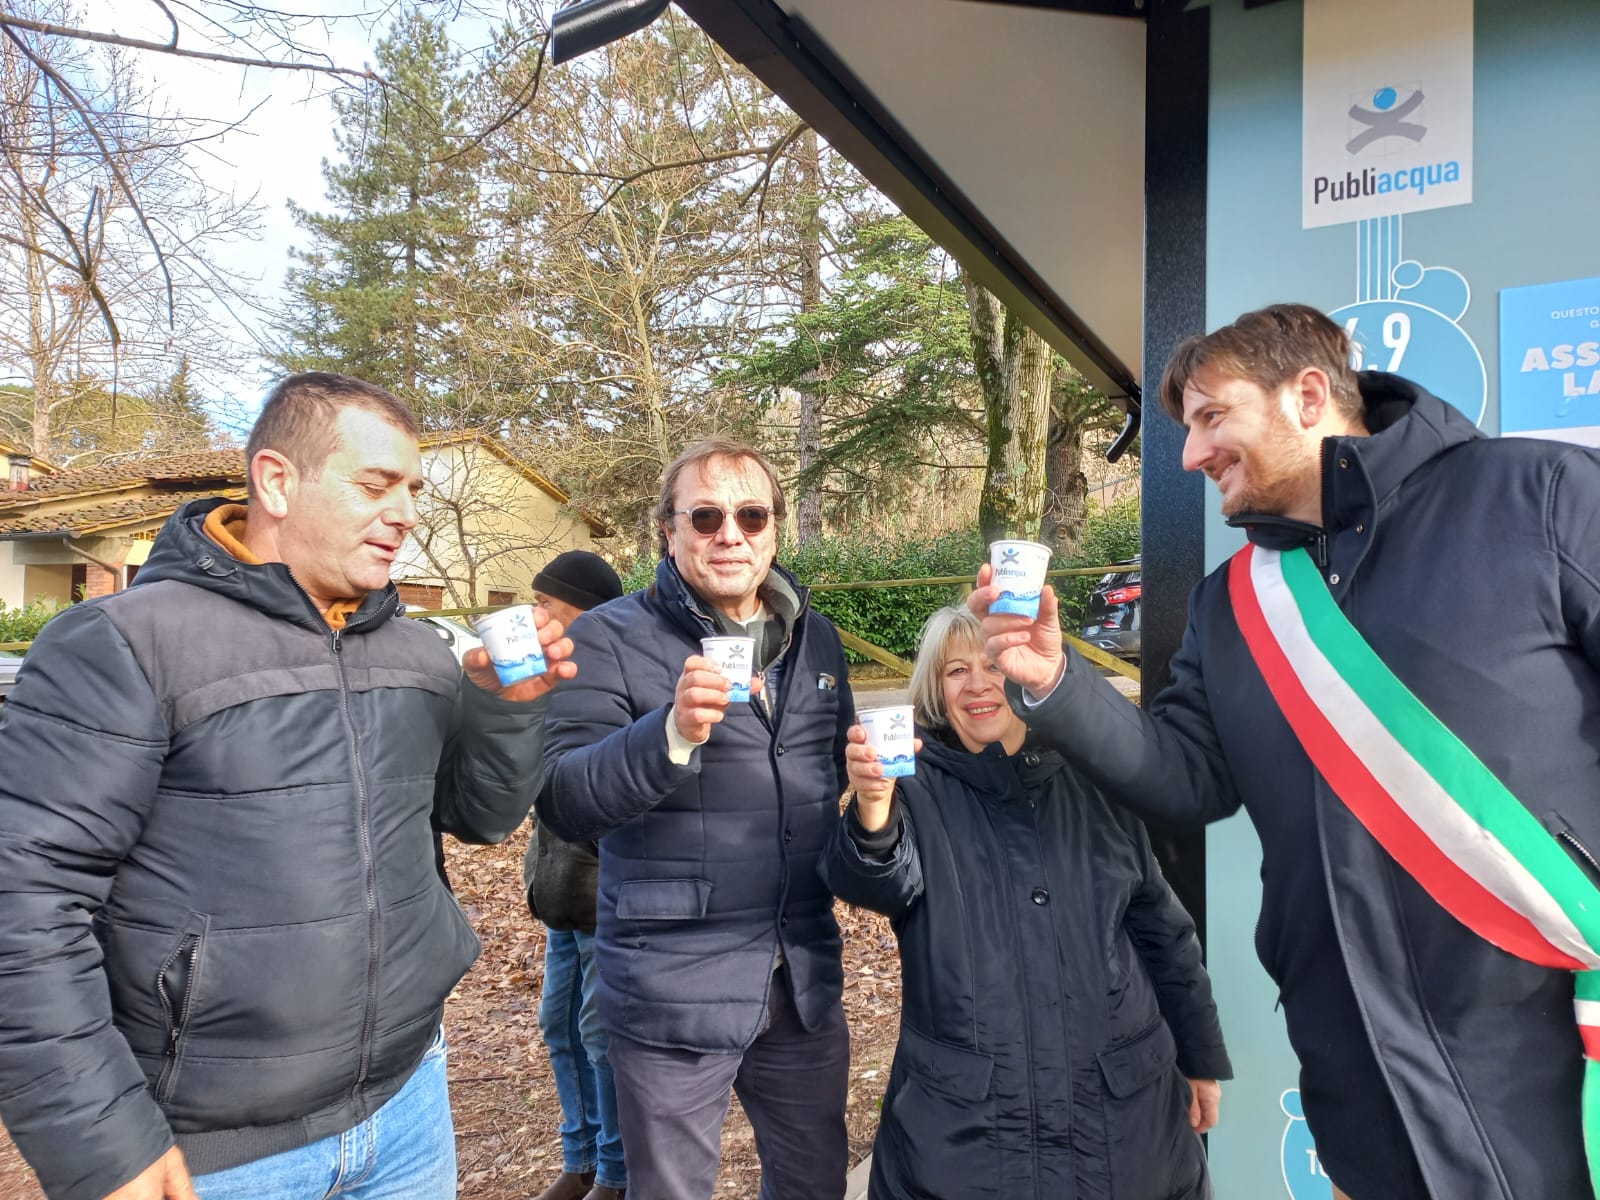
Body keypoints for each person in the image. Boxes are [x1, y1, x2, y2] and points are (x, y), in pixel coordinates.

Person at [972, 303, 1600, 1200]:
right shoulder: (1234, 603)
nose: (1191, 455)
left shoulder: (1540, 494)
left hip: (1555, 1043)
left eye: (1212, 418)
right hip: (1357, 1073)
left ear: (1309, 395)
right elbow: (1187, 775)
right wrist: (1055, 681)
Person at [0, 372, 574, 1200]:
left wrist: (503, 708)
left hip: (407, 1110)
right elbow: (24, 901)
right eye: (375, 485)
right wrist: (102, 1143)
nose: (406, 513)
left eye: (412, 490)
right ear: (276, 480)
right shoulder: (125, 644)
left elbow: (480, 817)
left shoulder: (417, 655)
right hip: (217, 1153)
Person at [821, 605, 1230, 1200]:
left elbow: (1162, 933)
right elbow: (878, 882)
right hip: (966, 1131)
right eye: (955, 670)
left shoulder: (1095, 779)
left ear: (1022, 669)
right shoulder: (914, 787)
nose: (978, 684)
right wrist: (873, 807)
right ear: (936, 688)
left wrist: (1199, 1056)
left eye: (991, 664)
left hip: (1121, 1121)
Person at [539, 438, 854, 1200]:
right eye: (706, 516)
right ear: (669, 532)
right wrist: (671, 732)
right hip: (672, 984)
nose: (730, 534)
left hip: (799, 975)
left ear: (776, 527)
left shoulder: (817, 638)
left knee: (815, 1184)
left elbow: (826, 776)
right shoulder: (606, 638)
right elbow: (564, 801)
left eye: (751, 514)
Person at [522, 550, 628, 1200]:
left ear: (584, 613)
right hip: (560, 891)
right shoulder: (549, 676)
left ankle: (615, 1174)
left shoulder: (608, 680)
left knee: (599, 1033)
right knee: (558, 1025)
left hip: (601, 893)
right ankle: (580, 1159)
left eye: (545, 604)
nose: (533, 615)